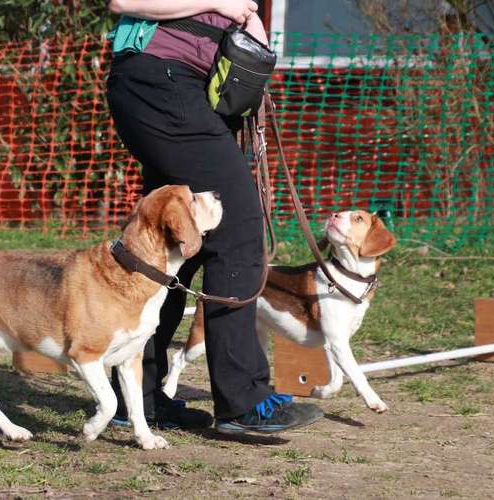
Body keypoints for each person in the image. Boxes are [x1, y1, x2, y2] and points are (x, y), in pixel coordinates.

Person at [105, 0, 324, 435]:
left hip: (179, 86)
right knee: (237, 227)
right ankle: (244, 403)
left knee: (171, 238)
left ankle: (138, 398)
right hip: (162, 81)